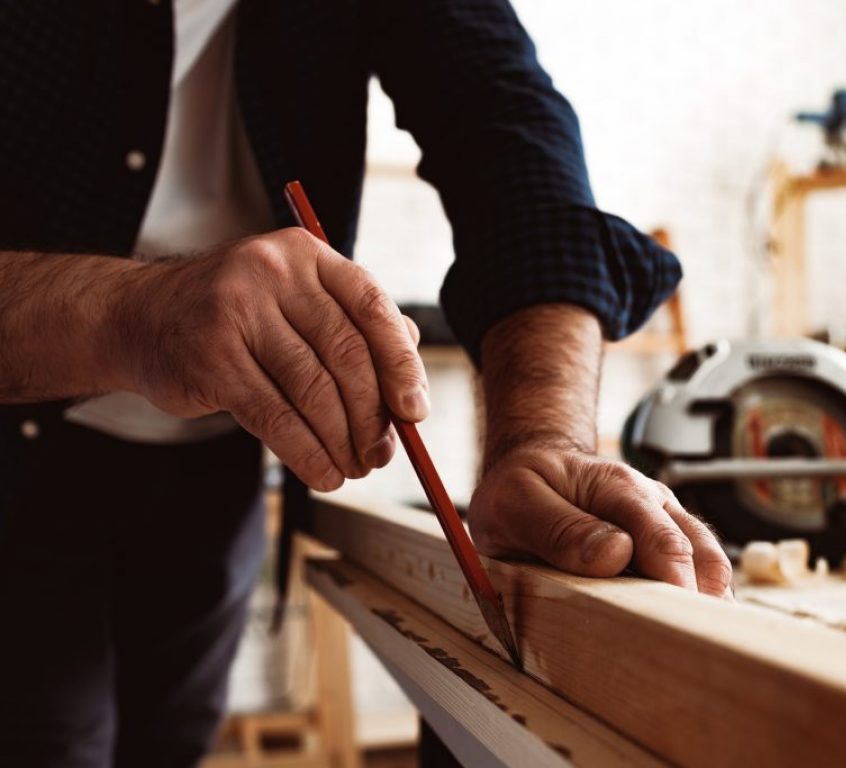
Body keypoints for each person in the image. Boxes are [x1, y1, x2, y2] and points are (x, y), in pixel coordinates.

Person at [0, 1, 733, 765]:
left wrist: (543, 437)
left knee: (173, 739)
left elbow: (511, 144)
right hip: (15, 451)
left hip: (217, 461)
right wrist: (128, 315)